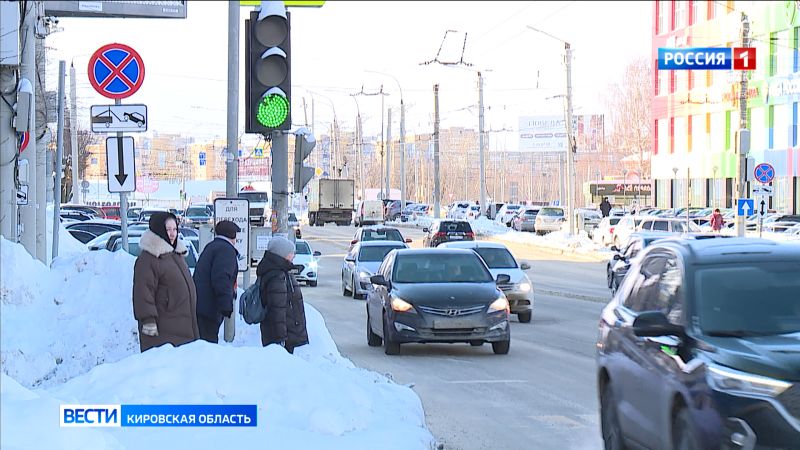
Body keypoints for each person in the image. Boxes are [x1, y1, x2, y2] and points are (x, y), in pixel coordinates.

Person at [132, 212, 199, 352]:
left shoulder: (176, 255)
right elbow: (143, 292)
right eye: (168, 230)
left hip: (183, 326)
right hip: (164, 330)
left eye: (175, 229)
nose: (172, 233)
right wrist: (148, 319)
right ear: (159, 230)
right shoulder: (149, 259)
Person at [256, 236, 309, 354]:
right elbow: (277, 310)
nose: (293, 255)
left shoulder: (282, 272)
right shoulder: (277, 277)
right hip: (283, 337)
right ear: (282, 254)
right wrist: (281, 338)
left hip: (286, 333)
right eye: (291, 252)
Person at [193, 220, 241, 343]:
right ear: (232, 236)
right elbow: (221, 278)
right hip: (210, 308)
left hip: (201, 305)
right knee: (208, 345)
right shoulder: (226, 250)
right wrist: (226, 305)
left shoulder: (212, 246)